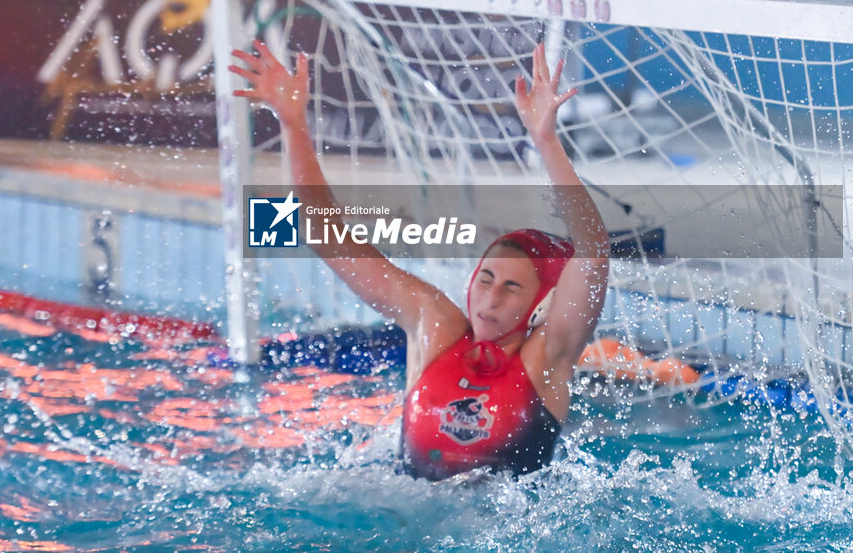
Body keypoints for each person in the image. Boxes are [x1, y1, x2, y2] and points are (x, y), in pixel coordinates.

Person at [229, 40, 610, 480]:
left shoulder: (548, 356)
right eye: (485, 278)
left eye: (512, 288)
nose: (489, 297)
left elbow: (593, 252)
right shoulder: (436, 327)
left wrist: (546, 141)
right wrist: (293, 123)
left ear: (542, 304)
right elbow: (321, 233)